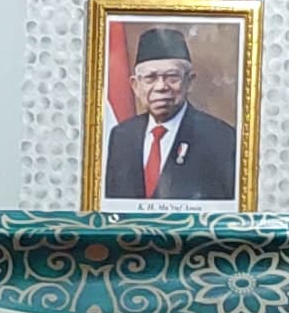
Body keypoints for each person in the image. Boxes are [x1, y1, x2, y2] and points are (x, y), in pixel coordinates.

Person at [100, 28, 240, 203]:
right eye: (150, 78)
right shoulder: (122, 136)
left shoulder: (221, 138)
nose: (161, 87)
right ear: (135, 85)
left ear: (189, 82)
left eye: (172, 77)